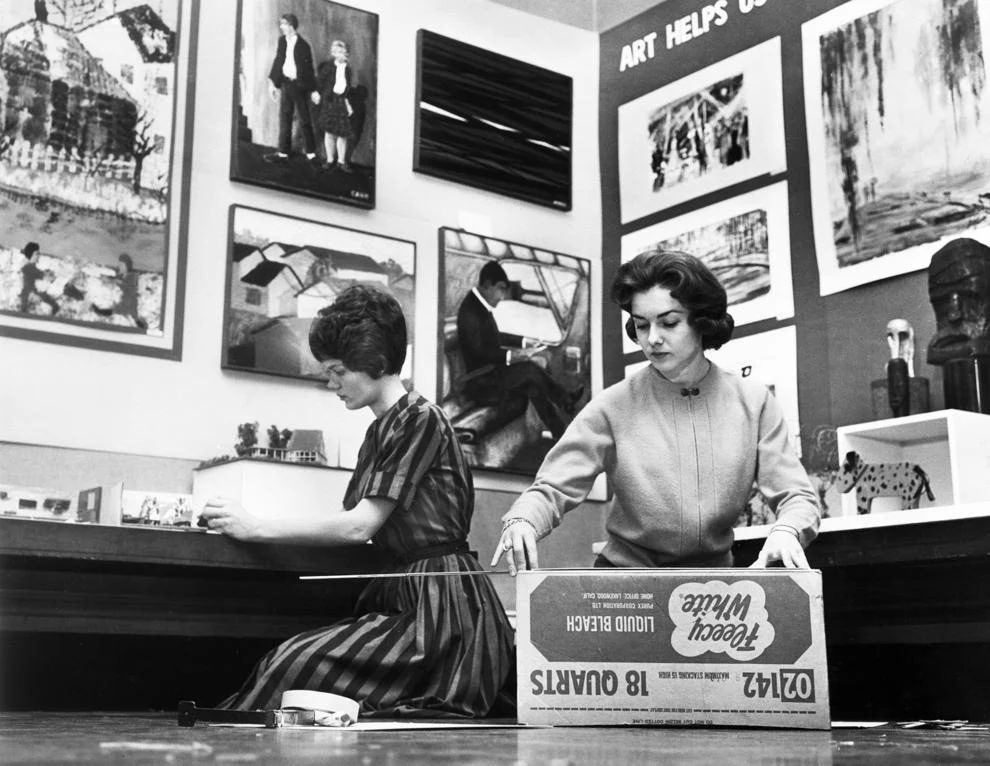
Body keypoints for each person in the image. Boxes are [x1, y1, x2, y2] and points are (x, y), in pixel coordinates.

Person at [201, 285, 514, 718]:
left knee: (295, 665)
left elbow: (358, 526)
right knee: (288, 664)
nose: (331, 383)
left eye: (338, 371)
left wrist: (255, 525)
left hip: (443, 616)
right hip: (413, 601)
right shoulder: (381, 429)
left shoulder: (421, 418)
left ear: (377, 364)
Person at [491, 250, 821, 574]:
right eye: (641, 325)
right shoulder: (613, 405)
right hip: (625, 581)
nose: (653, 339)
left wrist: (787, 530)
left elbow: (797, 496)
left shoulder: (754, 403)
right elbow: (551, 488)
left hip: (712, 589)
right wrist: (523, 520)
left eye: (669, 323)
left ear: (702, 321)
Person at [456, 260, 583, 439]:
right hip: (478, 382)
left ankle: (561, 434)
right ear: (486, 285)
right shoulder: (470, 312)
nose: (502, 296)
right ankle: (565, 400)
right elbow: (478, 351)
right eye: (500, 289)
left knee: (533, 388)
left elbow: (495, 337)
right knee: (530, 369)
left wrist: (524, 342)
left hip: (490, 374)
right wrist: (511, 355)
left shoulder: (481, 307)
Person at [265, 13, 318, 164]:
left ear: (291, 26)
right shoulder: (282, 41)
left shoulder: (303, 46)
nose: (281, 27)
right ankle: (283, 152)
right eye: (281, 24)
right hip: (286, 84)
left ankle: (311, 154)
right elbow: (278, 61)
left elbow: (309, 69)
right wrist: (273, 84)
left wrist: (313, 90)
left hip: (299, 86)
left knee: (304, 119)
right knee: (285, 118)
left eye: (284, 24)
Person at [312, 39, 354, 172]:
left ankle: (341, 162)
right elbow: (319, 83)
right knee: (329, 132)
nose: (343, 54)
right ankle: (330, 160)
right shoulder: (328, 67)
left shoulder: (347, 69)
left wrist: (348, 105)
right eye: (339, 52)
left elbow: (347, 89)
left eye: (344, 52)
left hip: (341, 101)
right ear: (334, 53)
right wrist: (316, 93)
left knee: (342, 134)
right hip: (329, 101)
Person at [19, 241, 58, 315]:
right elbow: (42, 275)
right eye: (37, 254)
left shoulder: (30, 267)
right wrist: (52, 277)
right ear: (31, 255)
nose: (39, 256)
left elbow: (40, 274)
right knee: (54, 306)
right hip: (29, 296)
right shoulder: (29, 268)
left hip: (32, 293)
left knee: (52, 303)